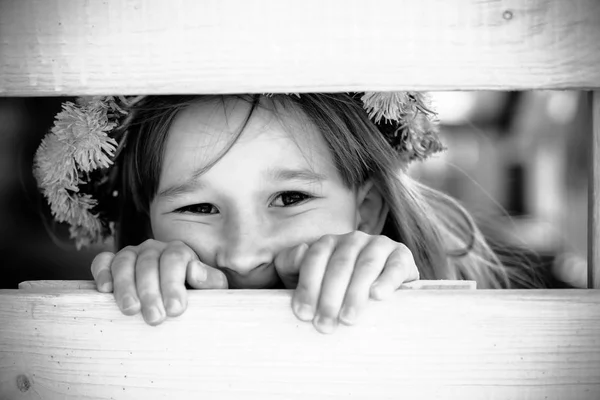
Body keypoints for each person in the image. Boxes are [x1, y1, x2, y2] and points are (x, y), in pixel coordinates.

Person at [33, 93, 541, 334]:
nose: (243, 252)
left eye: (291, 198)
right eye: (198, 207)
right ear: (149, 223)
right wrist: (137, 299)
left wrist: (394, 295)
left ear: (364, 212)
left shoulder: (439, 339)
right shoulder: (121, 328)